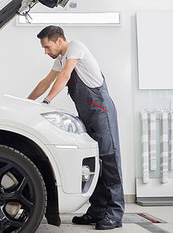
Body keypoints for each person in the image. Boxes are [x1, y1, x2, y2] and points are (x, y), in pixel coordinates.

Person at [27, 25, 124, 230]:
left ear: (59, 41)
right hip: (88, 113)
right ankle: (97, 211)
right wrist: (25, 103)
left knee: (110, 160)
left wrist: (46, 102)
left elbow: (64, 76)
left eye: (47, 46)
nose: (46, 51)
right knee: (95, 163)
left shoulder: (75, 47)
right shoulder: (60, 59)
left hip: (101, 111)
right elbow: (45, 82)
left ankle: (115, 214)